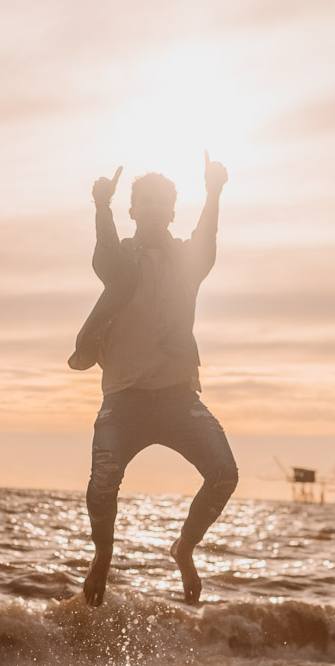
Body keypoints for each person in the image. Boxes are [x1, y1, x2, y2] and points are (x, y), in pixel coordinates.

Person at [79, 153, 238, 606]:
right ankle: (103, 555)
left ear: (171, 211)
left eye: (160, 202)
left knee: (224, 474)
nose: (151, 208)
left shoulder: (187, 261)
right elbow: (104, 256)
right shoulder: (120, 262)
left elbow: (207, 241)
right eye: (143, 202)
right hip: (125, 398)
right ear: (134, 211)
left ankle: (184, 548)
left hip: (176, 396)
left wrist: (213, 191)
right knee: (103, 479)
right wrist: (101, 206)